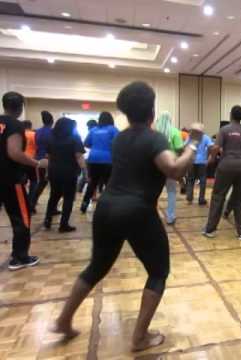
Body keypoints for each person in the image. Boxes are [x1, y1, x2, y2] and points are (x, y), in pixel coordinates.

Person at [51, 81, 204, 352]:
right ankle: (139, 338)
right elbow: (174, 169)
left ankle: (63, 320)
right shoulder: (154, 137)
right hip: (137, 211)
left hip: (107, 207)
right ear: (151, 110)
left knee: (96, 267)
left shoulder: (120, 138)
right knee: (158, 271)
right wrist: (193, 142)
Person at [0, 91, 47, 270]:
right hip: (11, 179)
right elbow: (14, 153)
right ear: (21, 107)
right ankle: (20, 257)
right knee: (21, 217)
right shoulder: (14, 124)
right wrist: (37, 163)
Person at [203, 106, 241, 240]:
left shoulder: (225, 129)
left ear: (231, 115)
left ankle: (210, 230)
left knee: (218, 196)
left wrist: (210, 159)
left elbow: (216, 147)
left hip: (227, 165)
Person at [43, 117, 87, 232]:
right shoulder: (75, 138)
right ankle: (63, 224)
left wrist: (47, 172)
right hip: (69, 172)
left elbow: (48, 157)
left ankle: (47, 220)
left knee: (53, 195)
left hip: (54, 171)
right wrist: (85, 172)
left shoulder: (51, 138)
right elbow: (79, 157)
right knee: (68, 198)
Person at [80, 112, 118, 213]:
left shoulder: (93, 130)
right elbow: (119, 143)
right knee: (109, 184)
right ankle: (110, 206)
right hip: (108, 160)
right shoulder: (113, 129)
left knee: (92, 183)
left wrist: (96, 147)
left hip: (93, 159)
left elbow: (86, 143)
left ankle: (84, 204)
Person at [155, 111, 184, 225]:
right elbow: (180, 149)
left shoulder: (154, 132)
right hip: (171, 166)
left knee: (154, 192)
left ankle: (152, 216)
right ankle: (170, 217)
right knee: (171, 191)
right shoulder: (175, 131)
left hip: (156, 166)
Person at [32, 111, 54, 211]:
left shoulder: (37, 131)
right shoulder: (52, 132)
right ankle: (32, 204)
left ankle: (32, 203)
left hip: (38, 159)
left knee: (41, 183)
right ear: (52, 121)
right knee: (52, 185)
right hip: (49, 160)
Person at [186, 131, 214, 206]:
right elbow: (211, 147)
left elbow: (185, 146)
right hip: (202, 162)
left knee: (190, 179)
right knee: (202, 180)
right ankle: (201, 199)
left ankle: (189, 198)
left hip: (191, 161)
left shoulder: (190, 136)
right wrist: (209, 158)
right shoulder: (205, 137)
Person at [77, 119, 98, 193]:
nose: (88, 128)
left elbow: (85, 144)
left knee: (86, 176)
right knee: (88, 176)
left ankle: (80, 191)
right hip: (91, 157)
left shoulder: (92, 132)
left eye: (88, 127)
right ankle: (80, 190)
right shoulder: (95, 132)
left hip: (90, 157)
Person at [23, 120, 38, 212]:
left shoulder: (19, 134)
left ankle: (21, 202)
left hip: (20, 161)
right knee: (34, 182)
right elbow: (37, 147)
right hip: (31, 161)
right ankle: (30, 204)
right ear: (30, 126)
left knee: (21, 183)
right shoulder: (34, 135)